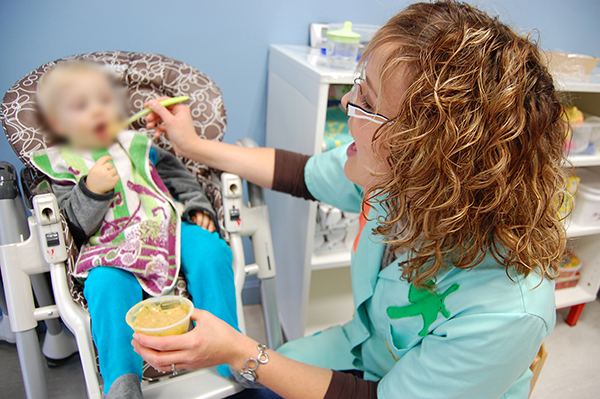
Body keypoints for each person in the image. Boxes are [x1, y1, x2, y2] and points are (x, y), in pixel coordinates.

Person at [132, 1, 568, 398]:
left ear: (430, 154)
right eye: (359, 86)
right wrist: (192, 146)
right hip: (362, 349)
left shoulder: (507, 310)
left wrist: (241, 352)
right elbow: (298, 173)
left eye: (368, 101)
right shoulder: (396, 178)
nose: (346, 102)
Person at [31, 61, 238, 399]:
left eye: (104, 101)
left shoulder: (137, 145)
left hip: (165, 226)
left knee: (211, 250)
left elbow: (178, 177)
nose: (98, 111)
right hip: (110, 245)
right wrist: (91, 191)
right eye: (82, 106)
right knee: (106, 284)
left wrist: (199, 206)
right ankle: (122, 382)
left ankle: (232, 353)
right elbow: (72, 228)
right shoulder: (59, 166)